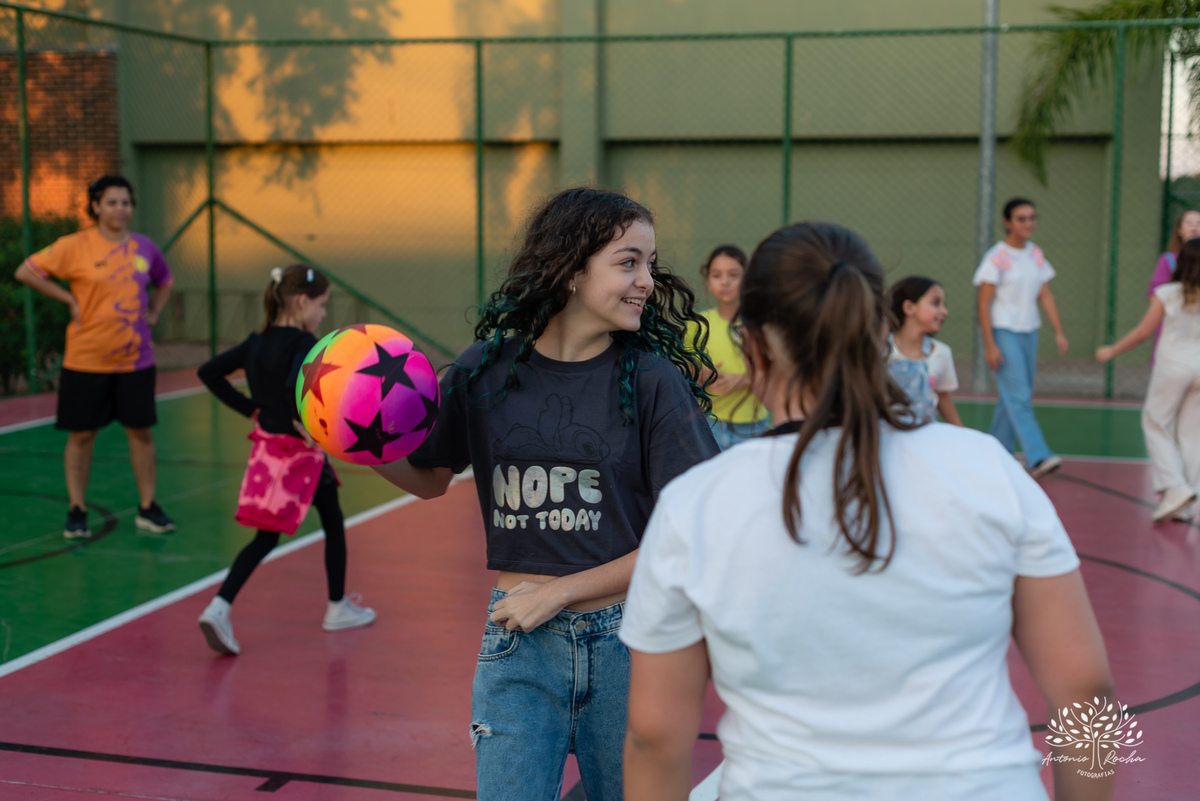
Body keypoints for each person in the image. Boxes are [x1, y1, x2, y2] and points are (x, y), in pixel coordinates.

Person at [620, 221, 1114, 801]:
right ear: (881, 330)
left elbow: (655, 738)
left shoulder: (697, 504)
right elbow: (1087, 690)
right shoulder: (988, 468)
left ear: (751, 344)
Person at [369, 188, 719, 800]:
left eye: (650, 265)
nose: (646, 282)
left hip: (627, 645)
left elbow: (692, 540)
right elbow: (426, 478)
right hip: (518, 642)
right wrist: (356, 444)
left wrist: (560, 592)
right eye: (628, 261)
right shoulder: (486, 370)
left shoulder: (656, 383)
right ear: (572, 267)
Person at [195, 265, 375, 656]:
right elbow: (303, 383)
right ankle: (336, 606)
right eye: (322, 305)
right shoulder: (302, 342)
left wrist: (251, 410)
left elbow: (209, 372)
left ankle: (219, 605)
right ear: (301, 301)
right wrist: (310, 423)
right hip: (299, 453)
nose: (324, 314)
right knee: (332, 521)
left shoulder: (256, 341)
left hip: (267, 448)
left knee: (266, 535)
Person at [14, 175, 175, 538]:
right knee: (82, 435)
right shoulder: (74, 246)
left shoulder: (145, 247)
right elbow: (26, 271)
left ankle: (148, 507)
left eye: (126, 202)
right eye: (113, 202)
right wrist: (69, 299)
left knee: (141, 433)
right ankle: (77, 509)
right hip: (86, 361)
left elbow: (166, 280)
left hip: (136, 360)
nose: (121, 209)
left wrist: (155, 313)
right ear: (96, 207)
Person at [1098, 237, 1200, 522]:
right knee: (1193, 434)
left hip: (1173, 367)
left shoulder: (1167, 293)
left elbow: (1143, 332)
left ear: (1182, 263)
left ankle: (1176, 487)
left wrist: (1112, 350)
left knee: (1154, 421)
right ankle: (1187, 501)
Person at [975, 197, 1068, 479]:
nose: (1028, 223)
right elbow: (983, 304)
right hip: (1004, 331)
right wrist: (990, 344)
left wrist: (1058, 331)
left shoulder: (1035, 254)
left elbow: (1046, 294)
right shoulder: (997, 257)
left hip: (1030, 332)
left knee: (1011, 398)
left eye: (1032, 217)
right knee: (1019, 397)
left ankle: (996, 453)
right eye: (1021, 218)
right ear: (1008, 222)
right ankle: (1037, 456)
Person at [691, 245, 770, 449]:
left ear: (746, 280)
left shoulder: (760, 325)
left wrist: (744, 379)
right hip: (708, 423)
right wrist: (700, 374)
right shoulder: (697, 325)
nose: (725, 281)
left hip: (752, 426)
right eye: (717, 275)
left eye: (733, 274)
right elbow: (684, 368)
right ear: (708, 281)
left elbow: (775, 370)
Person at [886, 275, 962, 425]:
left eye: (944, 304)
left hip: (924, 433)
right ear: (909, 307)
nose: (944, 311)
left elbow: (943, 397)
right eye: (936, 303)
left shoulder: (941, 353)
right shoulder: (881, 349)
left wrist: (964, 435)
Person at [1147, 209, 1200, 356]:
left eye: (1199, 223)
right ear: (1179, 230)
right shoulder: (1168, 259)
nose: (1194, 227)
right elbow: (1154, 295)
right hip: (1174, 332)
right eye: (1189, 223)